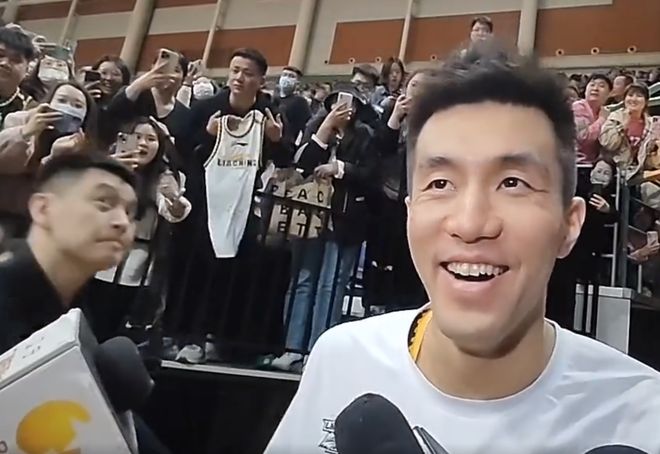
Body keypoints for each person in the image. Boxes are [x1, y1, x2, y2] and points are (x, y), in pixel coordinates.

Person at [266, 48, 660, 453]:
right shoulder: (343, 360)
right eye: (440, 184)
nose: (470, 224)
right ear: (410, 214)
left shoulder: (642, 417)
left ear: (569, 225)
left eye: (513, 183)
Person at [83, 117, 191, 342]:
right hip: (95, 256)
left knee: (113, 323)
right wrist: (108, 172)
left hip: (134, 262)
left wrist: (176, 203)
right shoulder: (105, 166)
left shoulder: (165, 177)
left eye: (151, 139)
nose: (143, 143)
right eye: (137, 137)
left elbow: (172, 211)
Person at [0, 81, 98, 238]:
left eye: (77, 105)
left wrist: (55, 158)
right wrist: (25, 133)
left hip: (40, 218)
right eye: (62, 100)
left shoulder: (80, 143)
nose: (68, 108)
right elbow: (6, 165)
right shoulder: (20, 121)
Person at [572, 73, 612, 163]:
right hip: (578, 162)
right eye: (592, 85)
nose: (595, 89)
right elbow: (583, 137)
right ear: (585, 90)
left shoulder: (606, 111)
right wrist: (602, 119)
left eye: (601, 86)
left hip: (597, 162)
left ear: (609, 94)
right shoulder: (578, 107)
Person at [0, 26, 35, 125]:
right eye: (0, 55)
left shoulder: (31, 110)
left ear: (27, 70)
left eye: (15, 60)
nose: (5, 63)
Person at [272, 65, 311, 146]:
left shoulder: (300, 102)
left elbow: (306, 126)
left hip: (286, 145)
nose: (286, 78)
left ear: (297, 83)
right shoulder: (273, 100)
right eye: (284, 75)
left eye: (291, 76)